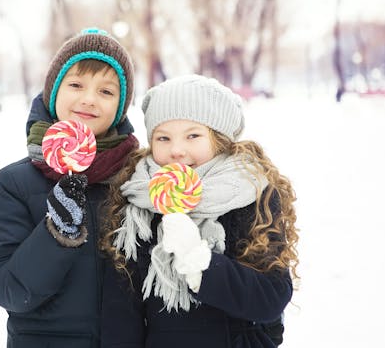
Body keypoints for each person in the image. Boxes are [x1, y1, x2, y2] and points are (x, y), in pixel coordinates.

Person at [100, 75, 299, 347]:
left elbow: (270, 297)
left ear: (219, 140)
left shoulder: (251, 193)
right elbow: (122, 310)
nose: (177, 150)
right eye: (163, 138)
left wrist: (199, 261)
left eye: (193, 135)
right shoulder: (136, 200)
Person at [0, 28, 138, 348]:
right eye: (76, 85)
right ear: (53, 93)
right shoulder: (14, 184)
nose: (89, 99)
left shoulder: (140, 182)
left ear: (121, 107)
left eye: (106, 92)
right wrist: (56, 235)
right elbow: (9, 290)